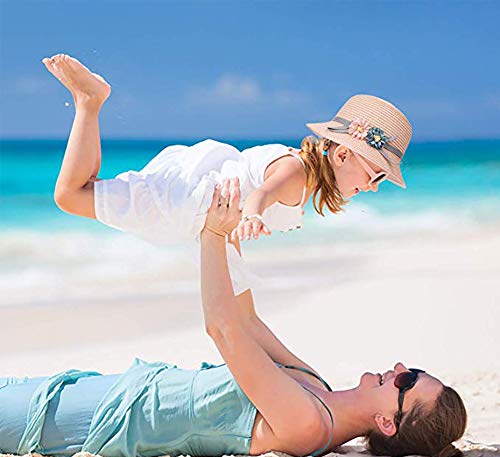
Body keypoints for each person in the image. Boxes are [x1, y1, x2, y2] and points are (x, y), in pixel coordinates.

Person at [0, 178, 467, 457]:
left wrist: (210, 236)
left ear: (389, 423)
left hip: (104, 420)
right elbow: (246, 318)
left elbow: (222, 331)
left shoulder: (307, 427)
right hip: (114, 388)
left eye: (408, 383)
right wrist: (239, 223)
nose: (402, 368)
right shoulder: (316, 388)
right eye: (416, 371)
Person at [41, 54, 413, 295]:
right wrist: (251, 216)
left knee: (87, 191)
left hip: (199, 205)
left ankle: (89, 105)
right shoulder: (296, 171)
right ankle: (90, 103)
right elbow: (262, 194)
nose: (373, 188)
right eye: (376, 176)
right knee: (70, 196)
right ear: (344, 153)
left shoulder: (306, 174)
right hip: (186, 203)